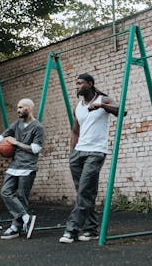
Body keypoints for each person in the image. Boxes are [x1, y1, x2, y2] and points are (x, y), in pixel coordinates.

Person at [59, 73, 123, 244]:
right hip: (78, 154)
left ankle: (71, 230)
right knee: (84, 193)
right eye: (76, 84)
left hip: (95, 152)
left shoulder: (105, 99)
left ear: (90, 84)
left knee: (85, 191)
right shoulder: (78, 107)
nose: (77, 86)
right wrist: (72, 152)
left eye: (80, 83)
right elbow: (75, 131)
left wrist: (101, 106)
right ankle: (91, 229)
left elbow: (121, 110)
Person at [0, 98, 45, 240]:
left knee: (22, 197)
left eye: (21, 107)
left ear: (29, 108)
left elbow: (35, 149)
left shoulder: (38, 127)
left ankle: (15, 227)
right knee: (5, 192)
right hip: (15, 165)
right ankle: (26, 217)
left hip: (28, 167)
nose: (18, 110)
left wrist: (16, 143)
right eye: (17, 107)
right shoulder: (16, 124)